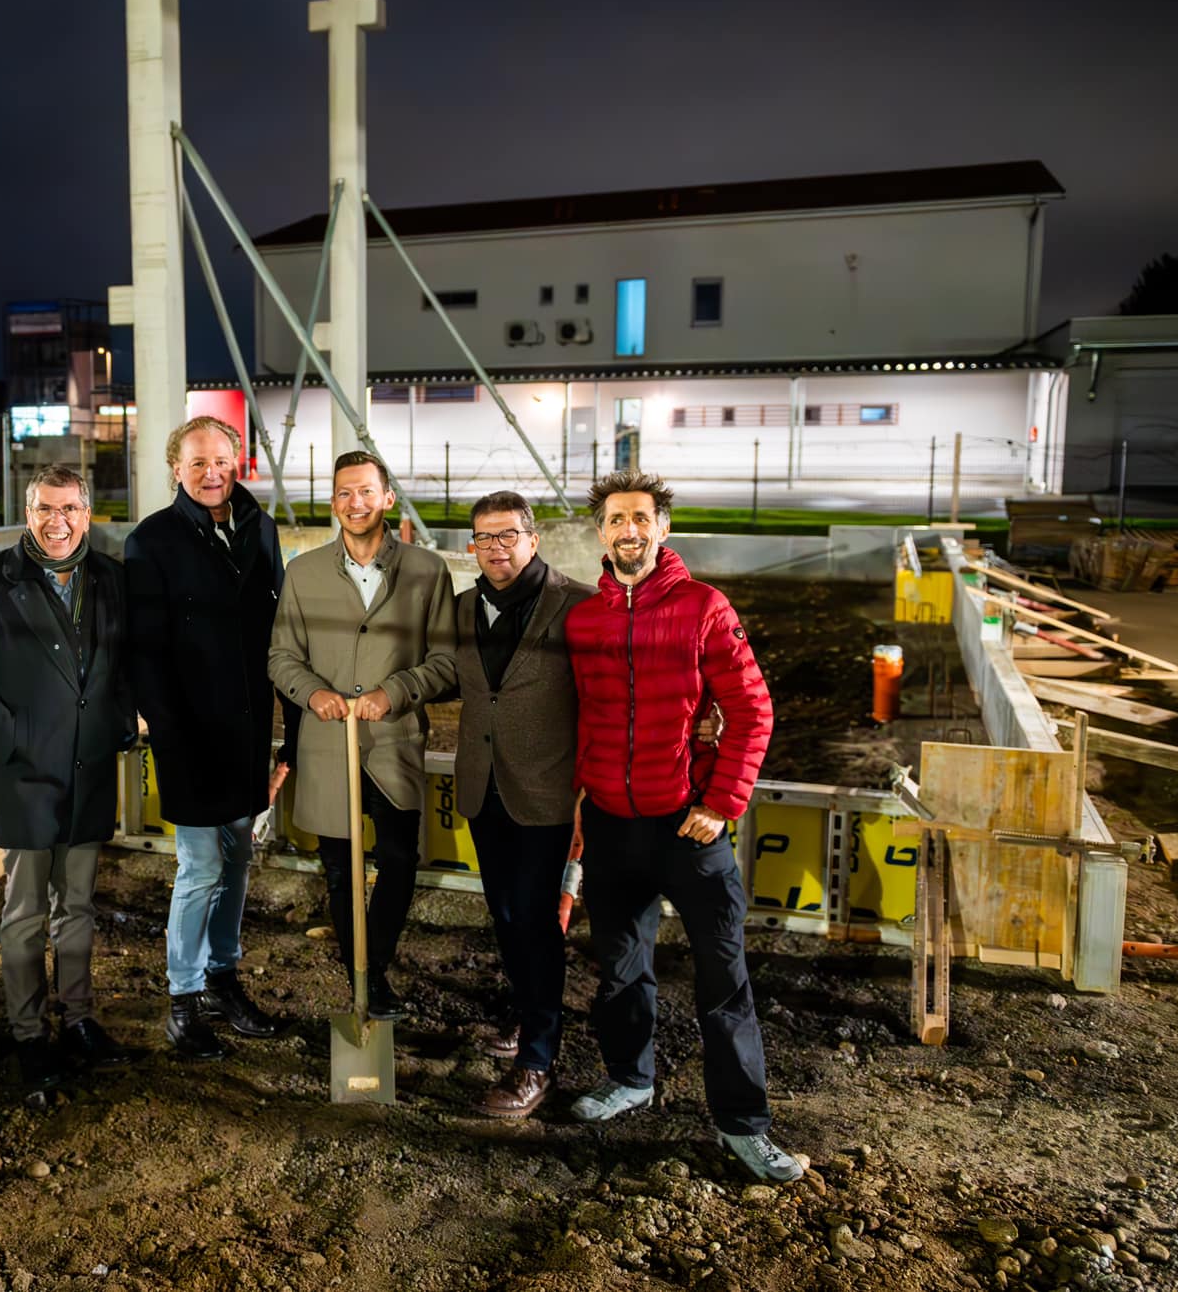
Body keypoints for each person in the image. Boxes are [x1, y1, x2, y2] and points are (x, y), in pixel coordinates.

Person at [564, 470, 802, 1183]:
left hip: (688, 826)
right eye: (616, 519)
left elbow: (752, 710)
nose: (628, 530)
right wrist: (581, 805)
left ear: (663, 528)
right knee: (620, 970)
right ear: (600, 532)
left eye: (641, 518)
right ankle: (630, 1080)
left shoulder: (703, 607)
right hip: (611, 825)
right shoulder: (585, 620)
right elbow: (583, 719)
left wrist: (722, 803)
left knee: (723, 977)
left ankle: (743, 1124)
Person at [0, 464, 138, 1099]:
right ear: (28, 513)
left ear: (88, 514)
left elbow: (124, 663)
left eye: (70, 509)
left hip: (89, 768)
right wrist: (12, 734)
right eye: (46, 509)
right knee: (24, 911)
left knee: (77, 905)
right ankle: (29, 1034)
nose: (58, 522)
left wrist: (119, 723)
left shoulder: (110, 578)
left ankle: (77, 1019)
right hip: (25, 774)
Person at [124, 417, 296, 1060]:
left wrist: (287, 731)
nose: (211, 472)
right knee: (200, 869)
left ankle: (224, 979)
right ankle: (184, 999)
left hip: (247, 732)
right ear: (176, 469)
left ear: (237, 462)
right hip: (189, 736)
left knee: (239, 860)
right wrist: (168, 730)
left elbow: (278, 631)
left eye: (220, 460)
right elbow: (144, 651)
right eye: (197, 463)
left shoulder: (260, 529)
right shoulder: (151, 541)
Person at [268, 451, 456, 1019]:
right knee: (339, 868)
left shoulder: (427, 571)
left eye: (367, 492)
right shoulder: (302, 572)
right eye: (345, 493)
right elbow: (281, 656)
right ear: (334, 503)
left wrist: (394, 691)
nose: (356, 503)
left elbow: (446, 661)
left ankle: (374, 963)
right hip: (328, 746)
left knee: (399, 860)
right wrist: (312, 694)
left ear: (388, 498)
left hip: (394, 742)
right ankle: (364, 978)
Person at [449, 492, 591, 1118]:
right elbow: (450, 678)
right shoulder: (462, 608)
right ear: (472, 547)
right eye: (484, 537)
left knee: (535, 920)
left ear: (533, 539)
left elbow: (603, 698)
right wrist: (382, 693)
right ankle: (526, 1011)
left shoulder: (578, 604)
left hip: (547, 791)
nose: (496, 547)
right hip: (483, 786)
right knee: (505, 913)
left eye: (508, 534)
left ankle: (538, 1059)